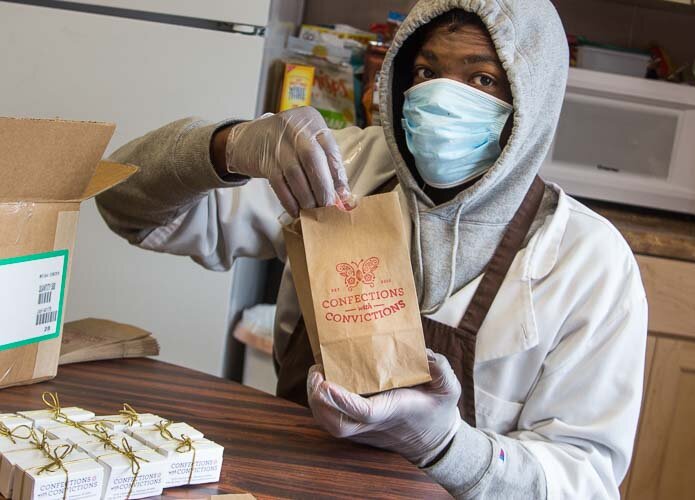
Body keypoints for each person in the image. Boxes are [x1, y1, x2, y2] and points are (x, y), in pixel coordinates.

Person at [97, 0, 647, 498]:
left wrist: (448, 447)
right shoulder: (340, 169)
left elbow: (586, 481)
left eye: (482, 79)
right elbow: (123, 205)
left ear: (533, 96)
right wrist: (226, 145)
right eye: (427, 72)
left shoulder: (586, 262)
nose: (442, 96)